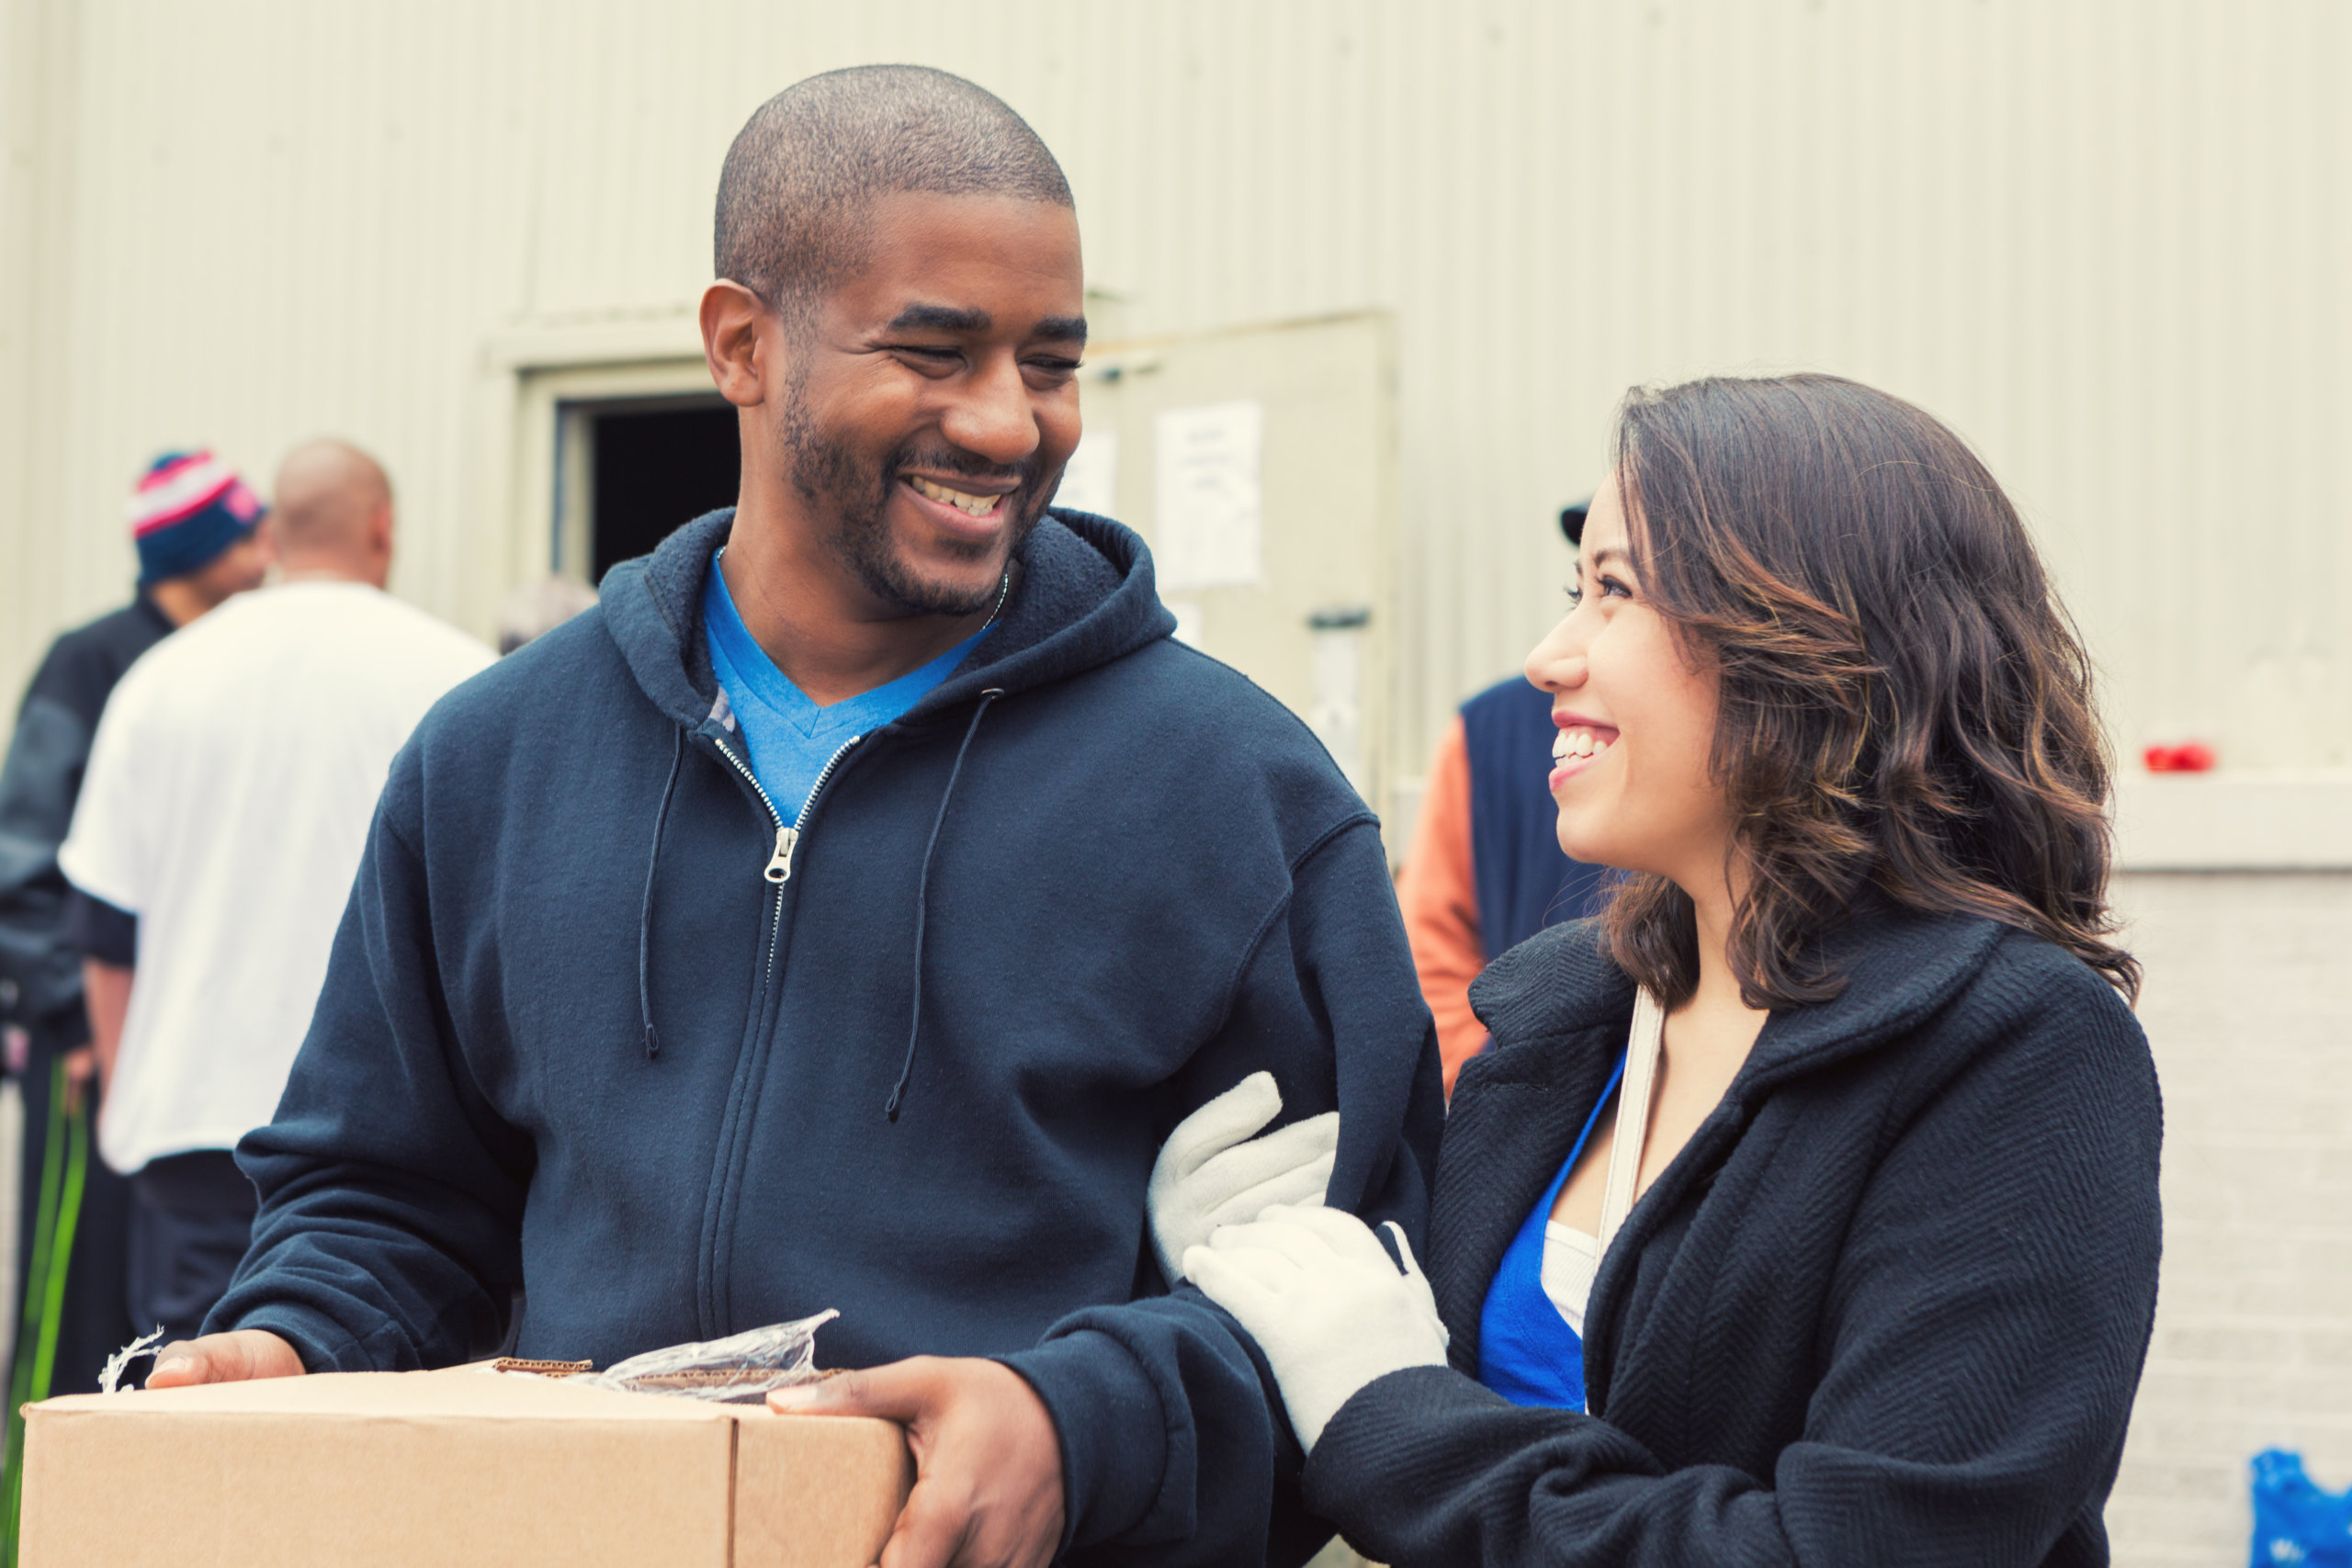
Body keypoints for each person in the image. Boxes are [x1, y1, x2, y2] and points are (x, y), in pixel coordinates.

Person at [153, 67, 1441, 1568]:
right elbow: (388, 1190)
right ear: (741, 344)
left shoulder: (1239, 798)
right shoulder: (493, 760)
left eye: (1052, 360)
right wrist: (300, 1337)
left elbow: (1371, 1300)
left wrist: (1080, 1425)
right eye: (935, 350)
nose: (1008, 422)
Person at [1168, 375, 2163, 1566]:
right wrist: (1240, 1296)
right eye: (1571, 592)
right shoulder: (1564, 1017)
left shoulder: (2013, 1050)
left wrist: (1388, 1406)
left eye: (1614, 591)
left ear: (1809, 638)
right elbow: (1371, 1456)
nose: (1548, 656)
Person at [57, 439, 492, 1348]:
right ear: (383, 527)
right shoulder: (461, 682)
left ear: (272, 535)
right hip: (391, 1159)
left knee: (185, 1439)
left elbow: (106, 931)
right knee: (372, 1457)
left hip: (191, 1131)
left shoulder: (159, 680)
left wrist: (129, 1105)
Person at [0, 450, 270, 1418]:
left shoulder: (242, 660)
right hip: (95, 1057)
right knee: (75, 1306)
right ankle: (36, 1520)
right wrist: (74, 1023)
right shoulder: (97, 660)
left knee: (171, 1333)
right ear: (192, 550)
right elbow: (20, 857)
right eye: (243, 533)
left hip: (190, 1065)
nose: (264, 549)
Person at [1396, 500, 1610, 1095]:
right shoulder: (1487, 729)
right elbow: (1425, 952)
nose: (1547, 659)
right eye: (1584, 589)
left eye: (1617, 588)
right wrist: (1500, 1084)